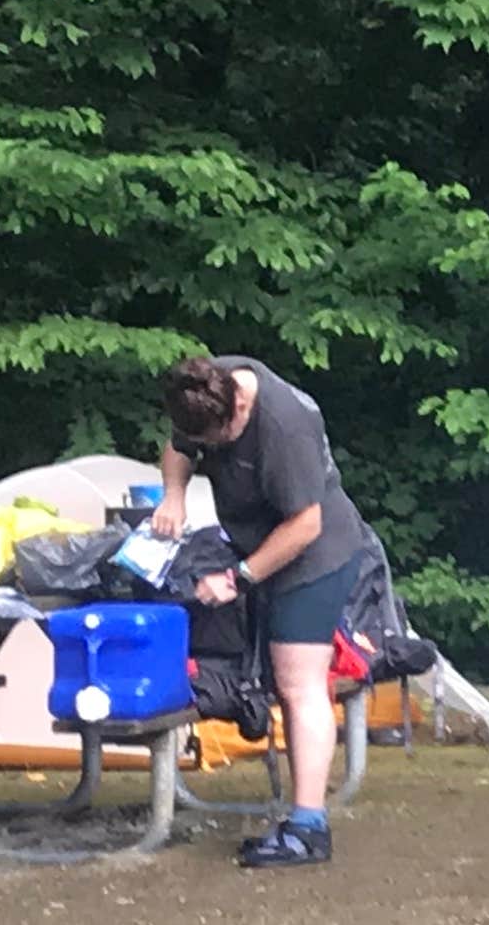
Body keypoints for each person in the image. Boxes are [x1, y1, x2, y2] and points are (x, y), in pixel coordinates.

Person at [143, 353, 379, 871]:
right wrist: (174, 495)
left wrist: (239, 578)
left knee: (300, 685)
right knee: (287, 682)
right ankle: (300, 817)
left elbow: (305, 526)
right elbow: (179, 448)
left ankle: (309, 828)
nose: (214, 451)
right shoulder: (205, 386)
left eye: (220, 441)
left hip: (315, 555)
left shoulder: (286, 426)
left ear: (240, 404)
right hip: (260, 544)